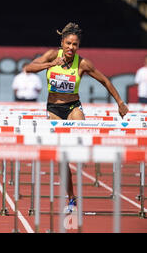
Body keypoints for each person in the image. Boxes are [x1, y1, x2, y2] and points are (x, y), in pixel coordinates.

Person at [25, 22, 129, 213]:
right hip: (54, 109)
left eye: (75, 45)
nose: (71, 48)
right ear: (62, 43)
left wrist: (120, 102)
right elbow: (28, 68)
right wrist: (50, 64)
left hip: (73, 107)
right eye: (68, 44)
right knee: (61, 159)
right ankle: (71, 198)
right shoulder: (51, 55)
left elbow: (105, 81)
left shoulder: (82, 63)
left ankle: (80, 153)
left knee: (79, 134)